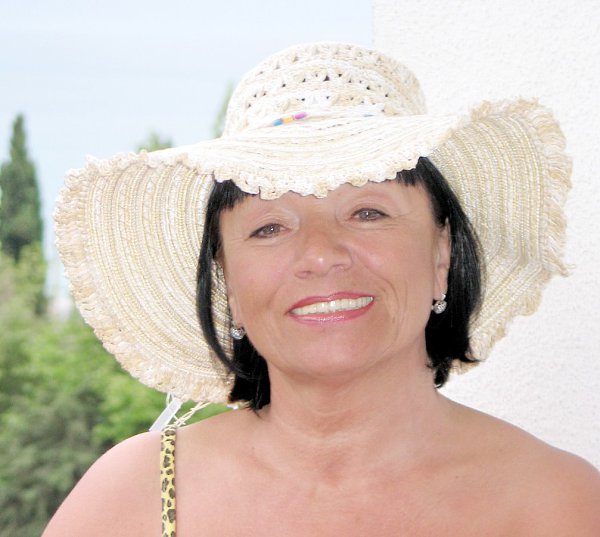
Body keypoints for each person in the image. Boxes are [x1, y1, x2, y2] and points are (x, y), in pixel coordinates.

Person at [44, 42, 599, 536]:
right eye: (269, 227)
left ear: (441, 254)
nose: (320, 254)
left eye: (367, 212)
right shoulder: (137, 497)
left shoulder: (557, 504)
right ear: (227, 281)